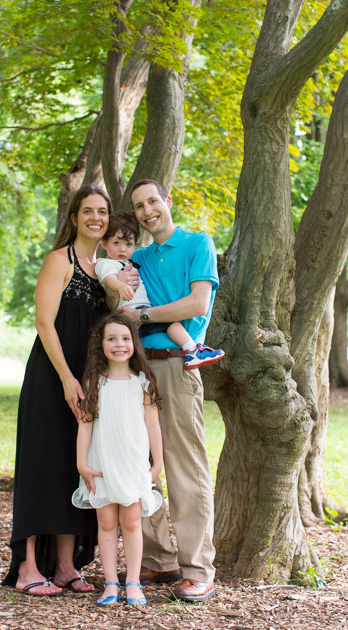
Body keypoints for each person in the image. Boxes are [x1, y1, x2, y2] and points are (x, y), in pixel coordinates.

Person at [2, 185, 111, 596]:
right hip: (53, 378)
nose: (96, 218)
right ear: (74, 217)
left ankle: (66, 566)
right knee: (40, 465)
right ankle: (28, 567)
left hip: (89, 383)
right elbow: (45, 323)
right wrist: (67, 377)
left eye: (102, 211)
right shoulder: (58, 260)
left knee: (74, 464)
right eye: (88, 211)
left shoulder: (104, 269)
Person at [119, 179, 219, 603]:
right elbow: (116, 295)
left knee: (184, 467)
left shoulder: (199, 244)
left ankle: (198, 569)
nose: (146, 211)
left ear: (168, 201)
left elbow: (196, 304)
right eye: (139, 206)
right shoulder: (139, 257)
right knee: (138, 465)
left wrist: (144, 315)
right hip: (138, 370)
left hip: (178, 368)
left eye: (152, 201)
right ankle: (159, 559)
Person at [72, 313, 163, 607]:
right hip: (101, 462)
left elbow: (153, 426)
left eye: (125, 338)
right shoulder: (94, 382)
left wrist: (157, 463)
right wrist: (81, 464)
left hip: (132, 462)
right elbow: (85, 424)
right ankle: (111, 582)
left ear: (134, 343)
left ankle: (133, 582)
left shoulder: (143, 382)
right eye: (112, 338)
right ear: (101, 345)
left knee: (132, 521)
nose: (119, 344)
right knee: (107, 520)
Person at [96, 211, 224, 370]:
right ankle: (192, 350)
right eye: (116, 243)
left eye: (128, 244)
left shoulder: (133, 260)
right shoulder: (105, 263)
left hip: (141, 314)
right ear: (104, 243)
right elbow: (109, 280)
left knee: (168, 322)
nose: (122, 249)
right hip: (130, 313)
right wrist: (120, 286)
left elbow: (199, 304)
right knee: (169, 322)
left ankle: (192, 349)